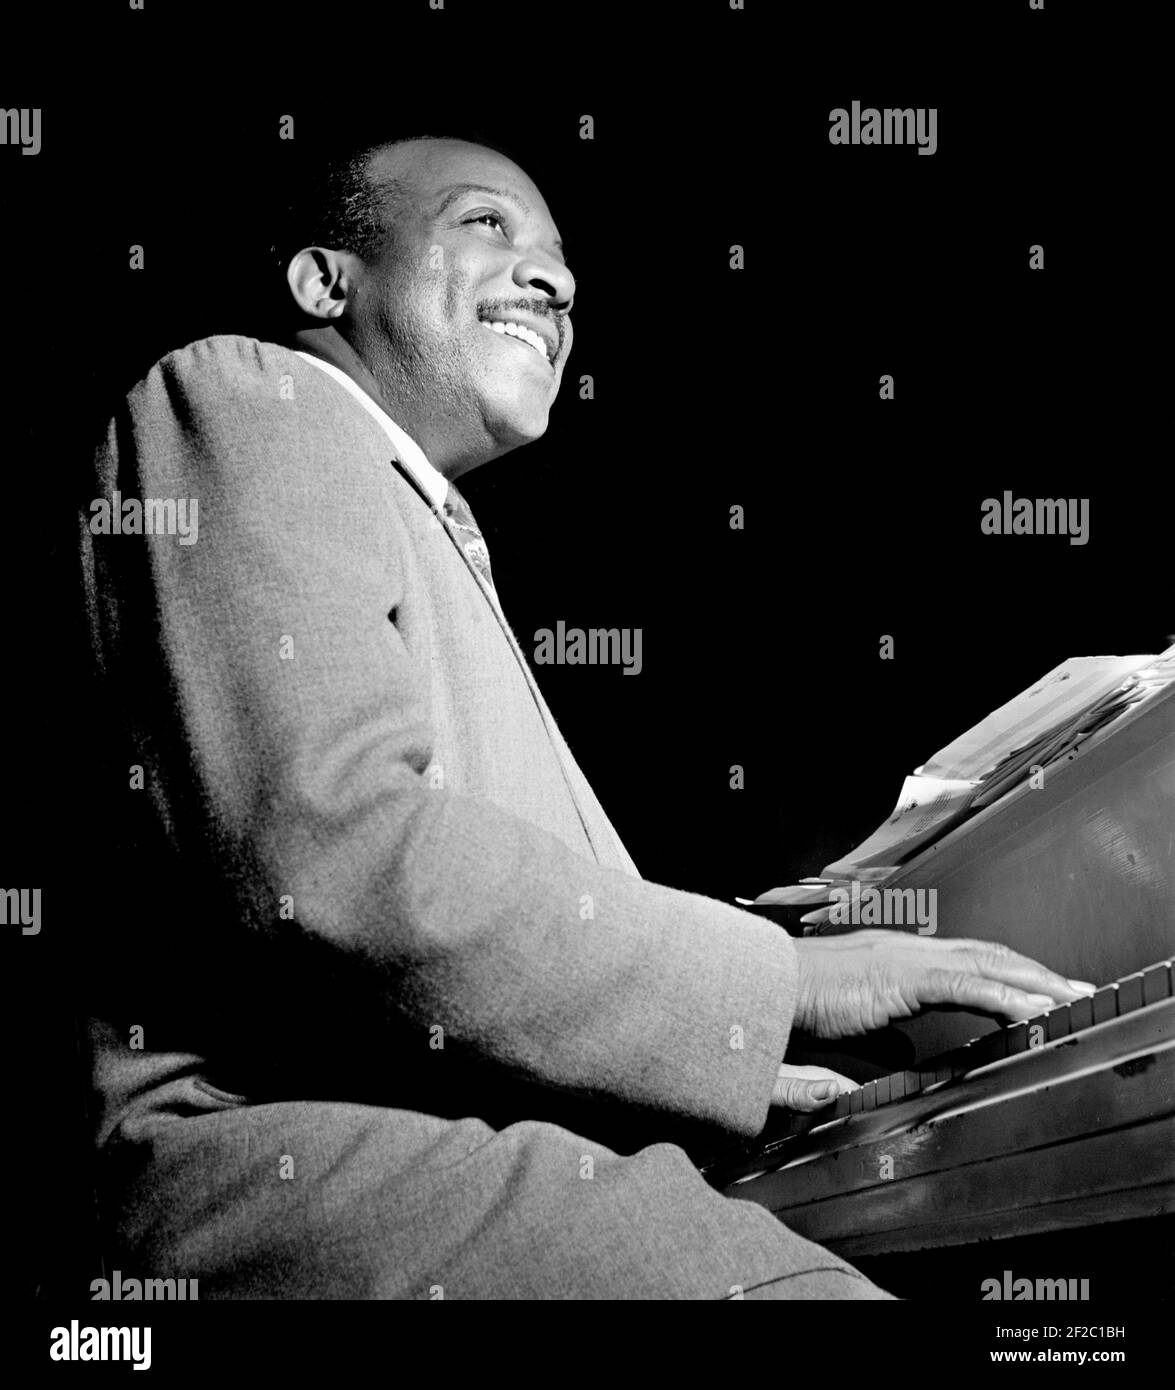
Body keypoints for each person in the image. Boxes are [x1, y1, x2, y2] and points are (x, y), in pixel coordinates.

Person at [79, 135, 1092, 1300]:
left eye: (560, 260)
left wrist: (748, 1015)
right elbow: (328, 849)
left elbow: (508, 917)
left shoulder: (424, 526)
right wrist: (777, 988)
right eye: (487, 227)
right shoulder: (251, 394)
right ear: (325, 283)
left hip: (466, 1142)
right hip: (272, 1154)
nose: (554, 283)